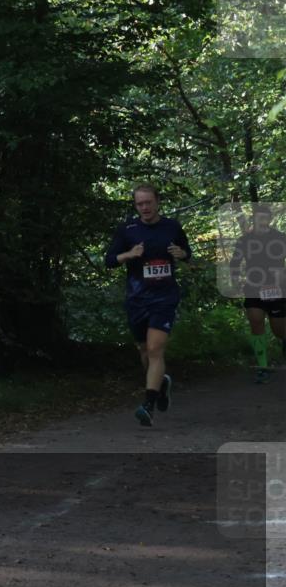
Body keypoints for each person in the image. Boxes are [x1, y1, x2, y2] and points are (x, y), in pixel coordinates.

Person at [105, 183, 191, 427]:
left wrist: (181, 254)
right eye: (139, 203)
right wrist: (128, 255)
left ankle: (148, 405)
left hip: (164, 297)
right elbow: (109, 260)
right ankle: (160, 384)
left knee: (155, 349)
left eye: (148, 202)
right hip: (137, 299)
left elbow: (188, 253)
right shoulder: (127, 229)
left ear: (157, 202)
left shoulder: (172, 226)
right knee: (145, 352)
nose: (144, 207)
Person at [229, 203, 286, 383]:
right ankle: (262, 367)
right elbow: (235, 262)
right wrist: (235, 280)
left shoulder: (280, 237)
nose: (261, 221)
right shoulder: (244, 240)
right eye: (258, 217)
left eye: (265, 217)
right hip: (253, 287)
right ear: (253, 219)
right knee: (256, 322)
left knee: (280, 331)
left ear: (270, 219)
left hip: (277, 288)